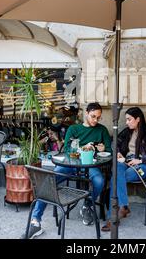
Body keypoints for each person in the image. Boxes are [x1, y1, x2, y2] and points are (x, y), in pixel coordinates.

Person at [23, 102, 112, 239]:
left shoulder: (102, 130)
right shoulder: (74, 128)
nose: (95, 120)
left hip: (91, 165)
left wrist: (103, 148)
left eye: (98, 117)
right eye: (93, 116)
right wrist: (83, 148)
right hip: (70, 165)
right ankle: (35, 222)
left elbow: (109, 150)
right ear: (86, 113)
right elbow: (68, 150)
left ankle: (87, 204)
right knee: (48, 181)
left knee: (99, 181)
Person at [101, 107, 146, 232]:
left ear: (138, 119)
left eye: (129, 119)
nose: (127, 122)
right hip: (127, 162)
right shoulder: (127, 132)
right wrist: (117, 152)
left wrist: (140, 160)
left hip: (143, 167)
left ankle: (113, 217)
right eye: (126, 120)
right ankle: (122, 207)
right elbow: (114, 142)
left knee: (116, 178)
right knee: (117, 172)